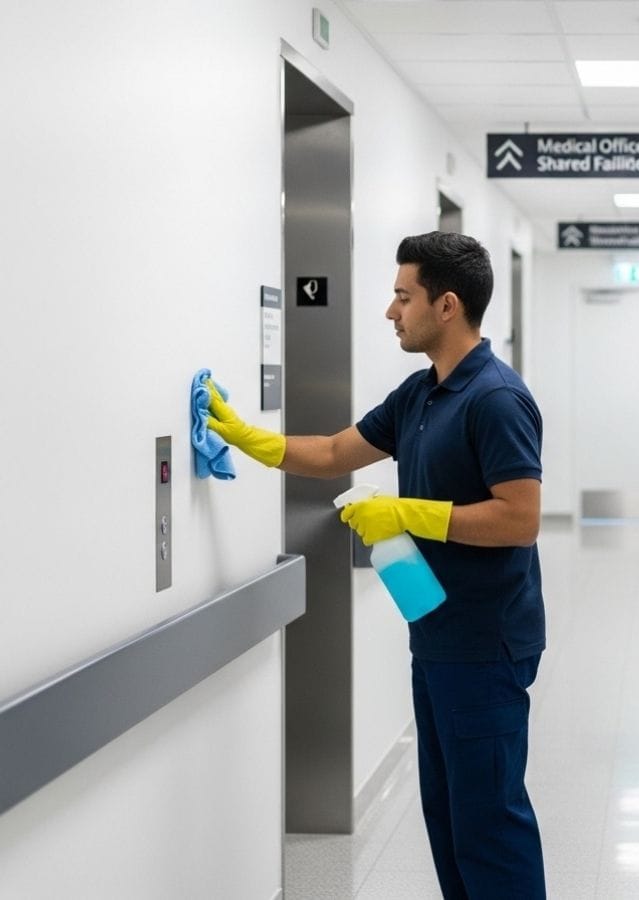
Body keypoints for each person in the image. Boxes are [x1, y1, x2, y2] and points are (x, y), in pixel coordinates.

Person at [207, 231, 547, 899]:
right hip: (438, 636)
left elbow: (520, 517)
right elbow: (337, 452)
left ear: (446, 306)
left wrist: (408, 514)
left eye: (402, 296)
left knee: (489, 824)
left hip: (488, 644)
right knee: (448, 820)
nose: (391, 311)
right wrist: (247, 437)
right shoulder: (421, 395)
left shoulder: (497, 399)